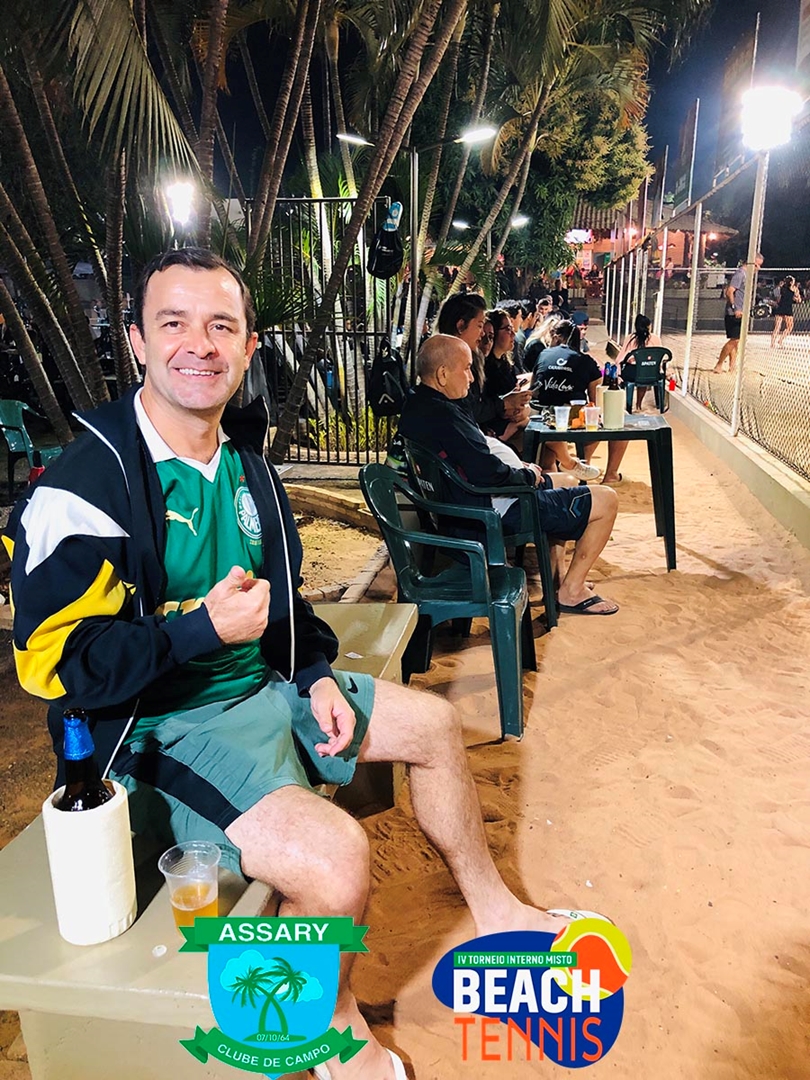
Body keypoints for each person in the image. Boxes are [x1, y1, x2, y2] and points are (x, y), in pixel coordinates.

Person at [3, 249, 589, 1080]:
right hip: (153, 734)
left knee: (433, 725)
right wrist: (198, 632)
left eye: (221, 326)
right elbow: (60, 670)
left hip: (265, 687)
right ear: (137, 340)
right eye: (173, 323)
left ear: (248, 347)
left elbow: (285, 607)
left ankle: (494, 911)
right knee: (335, 856)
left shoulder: (246, 465)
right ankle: (333, 1031)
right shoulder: (84, 488)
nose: (198, 345)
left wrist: (313, 676)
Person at [398, 334, 620, 615]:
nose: (471, 377)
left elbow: (476, 461)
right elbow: (486, 472)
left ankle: (558, 580)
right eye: (466, 369)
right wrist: (526, 476)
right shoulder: (444, 415)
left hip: (467, 504)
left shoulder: (419, 402)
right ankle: (572, 592)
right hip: (489, 510)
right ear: (443, 374)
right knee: (607, 499)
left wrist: (522, 470)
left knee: (569, 480)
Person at [533, 319, 628, 486]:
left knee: (549, 451)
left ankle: (559, 469)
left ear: (556, 337)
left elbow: (534, 389)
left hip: (543, 416)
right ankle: (602, 471)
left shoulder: (543, 354)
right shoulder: (586, 361)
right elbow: (596, 401)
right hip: (573, 417)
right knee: (613, 418)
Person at [714, 254, 764, 374]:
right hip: (734, 313)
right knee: (735, 340)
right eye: (757, 265)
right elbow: (729, 291)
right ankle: (719, 364)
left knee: (736, 340)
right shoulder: (740, 274)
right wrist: (735, 308)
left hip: (741, 311)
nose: (758, 268)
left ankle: (732, 366)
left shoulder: (746, 275)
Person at [615, 313, 663, 411]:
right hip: (652, 372)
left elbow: (620, 358)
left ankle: (630, 406)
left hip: (634, 372)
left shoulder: (630, 338)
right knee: (644, 372)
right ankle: (639, 404)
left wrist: (619, 369)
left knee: (635, 372)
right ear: (649, 326)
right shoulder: (655, 339)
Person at [771, 274, 801, 347]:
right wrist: (795, 298)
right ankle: (780, 340)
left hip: (780, 307)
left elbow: (779, 299)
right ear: (791, 282)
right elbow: (799, 300)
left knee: (777, 327)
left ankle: (772, 343)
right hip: (787, 308)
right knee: (789, 327)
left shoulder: (782, 288)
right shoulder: (794, 289)